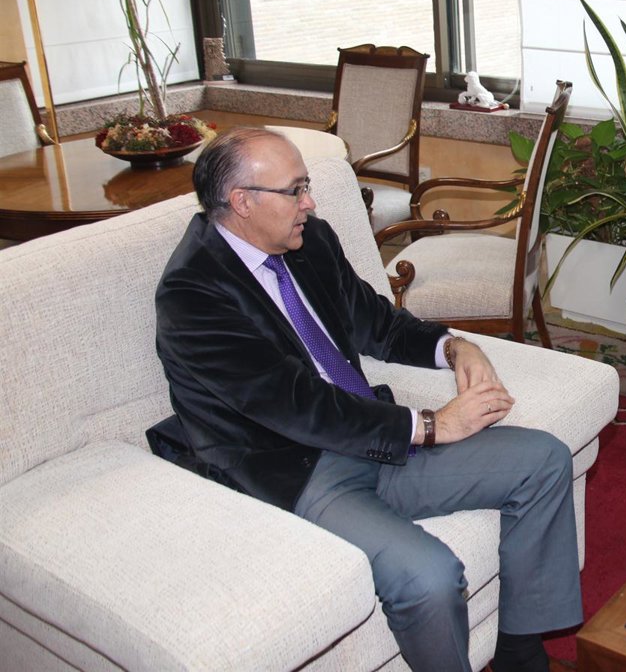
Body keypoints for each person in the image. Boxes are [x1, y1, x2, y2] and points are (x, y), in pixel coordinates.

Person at [154, 127, 581, 672]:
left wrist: (455, 347)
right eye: (295, 190)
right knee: (428, 575)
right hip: (300, 469)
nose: (310, 202)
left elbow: (377, 323)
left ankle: (520, 654)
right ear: (242, 202)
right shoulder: (192, 294)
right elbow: (297, 405)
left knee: (543, 459)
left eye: (307, 185)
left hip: (372, 438)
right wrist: (431, 426)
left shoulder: (308, 241)